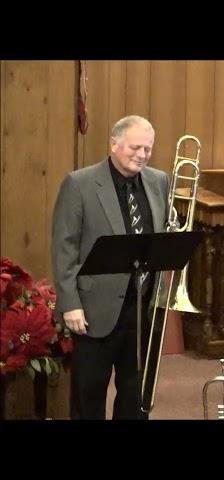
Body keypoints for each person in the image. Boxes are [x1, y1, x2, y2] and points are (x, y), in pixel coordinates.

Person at [52, 115, 169, 420]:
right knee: (88, 398)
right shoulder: (79, 184)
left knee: (135, 398)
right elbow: (64, 248)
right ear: (114, 144)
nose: (142, 155)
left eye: (148, 149)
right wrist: (70, 304)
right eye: (135, 147)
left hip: (143, 310)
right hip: (93, 310)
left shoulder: (159, 181)